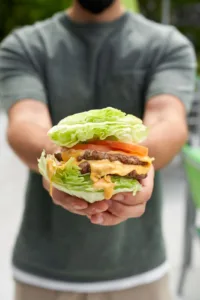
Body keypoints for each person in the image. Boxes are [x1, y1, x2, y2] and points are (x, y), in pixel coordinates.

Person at [0, 0, 197, 299]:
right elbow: (24, 121)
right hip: (43, 272)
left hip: (138, 272)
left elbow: (168, 118)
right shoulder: (24, 45)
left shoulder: (168, 45)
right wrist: (57, 161)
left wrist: (134, 165)